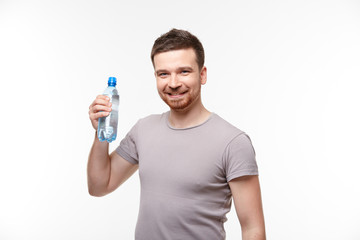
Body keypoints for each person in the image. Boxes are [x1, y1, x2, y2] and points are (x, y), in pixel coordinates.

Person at [88, 28, 266, 240]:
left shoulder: (233, 142)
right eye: (163, 73)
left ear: (202, 75)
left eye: (184, 71)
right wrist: (100, 131)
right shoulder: (143, 129)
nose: (173, 83)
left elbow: (253, 229)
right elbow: (100, 186)